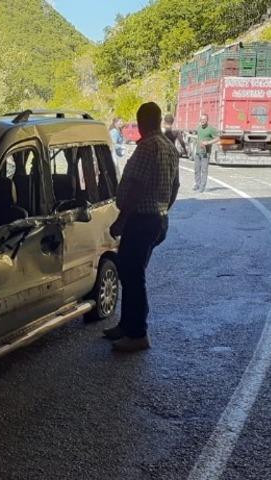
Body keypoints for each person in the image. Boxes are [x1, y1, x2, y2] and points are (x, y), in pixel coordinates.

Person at [105, 102, 180, 352]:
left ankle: (137, 333)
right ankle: (127, 325)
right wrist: (163, 209)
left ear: (141, 121)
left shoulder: (147, 147)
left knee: (132, 275)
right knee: (130, 272)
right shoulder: (169, 148)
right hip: (157, 218)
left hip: (140, 220)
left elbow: (136, 187)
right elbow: (175, 185)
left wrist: (121, 220)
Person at [194, 114, 219, 192]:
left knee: (204, 170)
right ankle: (197, 184)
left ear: (207, 120)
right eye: (201, 119)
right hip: (198, 152)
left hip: (205, 153)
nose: (203, 121)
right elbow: (198, 137)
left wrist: (208, 142)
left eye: (204, 119)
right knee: (197, 169)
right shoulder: (198, 128)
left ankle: (202, 187)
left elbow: (218, 138)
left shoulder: (211, 129)